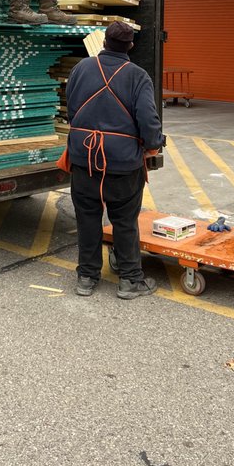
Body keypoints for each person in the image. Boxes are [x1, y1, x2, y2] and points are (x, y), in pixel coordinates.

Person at [65, 21, 163, 299]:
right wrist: (153, 146)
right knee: (124, 220)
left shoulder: (81, 69)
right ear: (130, 46)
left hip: (83, 158)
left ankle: (86, 277)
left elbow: (71, 108)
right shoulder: (137, 76)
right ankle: (130, 280)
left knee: (87, 218)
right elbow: (148, 119)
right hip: (123, 164)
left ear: (104, 42)